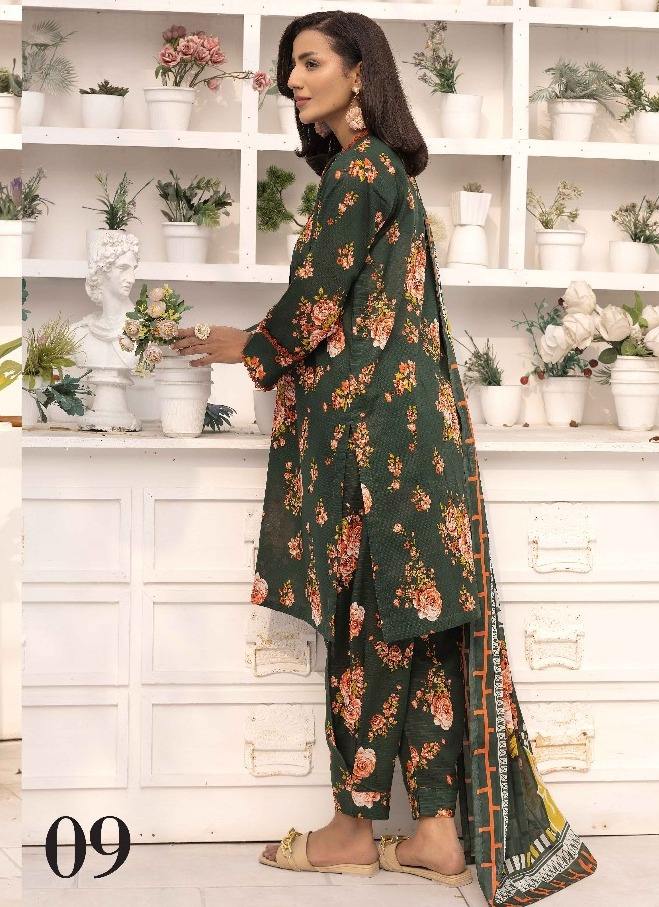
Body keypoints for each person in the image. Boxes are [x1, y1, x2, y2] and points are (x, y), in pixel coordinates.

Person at [172, 11, 597, 905]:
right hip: (414, 438)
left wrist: (242, 345)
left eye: (309, 62)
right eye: (289, 65)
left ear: (360, 71)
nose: (293, 80)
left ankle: (353, 828)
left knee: (366, 627)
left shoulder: (357, 173)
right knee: (419, 625)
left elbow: (314, 303)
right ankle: (436, 831)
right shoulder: (385, 172)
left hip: (373, 444)